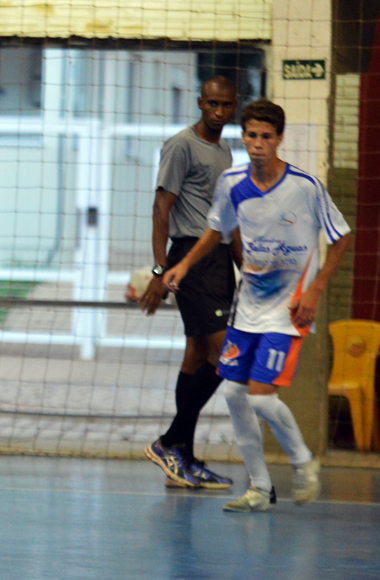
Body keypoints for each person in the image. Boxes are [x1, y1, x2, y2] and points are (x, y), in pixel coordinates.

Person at [163, 98, 352, 512]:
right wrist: (182, 265)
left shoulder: (305, 186)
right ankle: (260, 488)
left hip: (289, 310)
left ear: (279, 139)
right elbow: (216, 231)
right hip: (247, 307)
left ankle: (304, 462)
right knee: (233, 394)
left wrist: (315, 290)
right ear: (244, 137)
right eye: (252, 135)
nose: (259, 143)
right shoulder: (232, 183)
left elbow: (341, 237)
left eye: (267, 137)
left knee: (262, 399)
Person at [141, 76, 240, 489]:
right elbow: (162, 207)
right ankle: (170, 441)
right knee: (228, 360)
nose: (218, 111)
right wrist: (161, 271)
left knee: (197, 356)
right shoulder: (181, 145)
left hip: (218, 261)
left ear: (233, 107)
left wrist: (243, 266)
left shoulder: (226, 150)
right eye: (212, 104)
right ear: (200, 103)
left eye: (225, 105)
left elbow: (227, 220)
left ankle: (184, 457)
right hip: (190, 260)